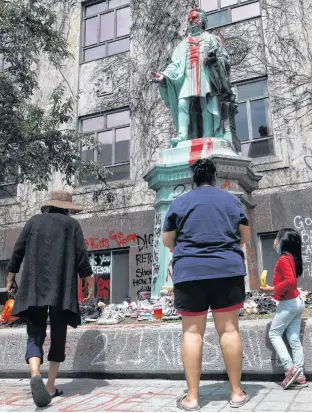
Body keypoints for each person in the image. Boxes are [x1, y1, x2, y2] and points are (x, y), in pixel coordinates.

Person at [162, 159, 250, 411]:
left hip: (189, 273)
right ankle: (236, 393)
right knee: (229, 330)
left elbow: (169, 240)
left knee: (192, 333)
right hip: (227, 270)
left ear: (194, 179)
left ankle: (192, 398)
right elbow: (244, 235)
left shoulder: (179, 203)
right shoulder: (231, 200)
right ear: (214, 178)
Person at [6, 190, 94, 407]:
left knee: (35, 333)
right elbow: (81, 256)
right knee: (58, 336)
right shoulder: (71, 225)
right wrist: (89, 279)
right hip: (61, 289)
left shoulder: (33, 222)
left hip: (34, 287)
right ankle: (50, 386)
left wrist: (10, 276)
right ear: (66, 208)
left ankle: (35, 372)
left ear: (49, 206)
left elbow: (18, 250)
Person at [152, 8, 231, 147]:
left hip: (204, 76)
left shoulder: (210, 38)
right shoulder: (183, 44)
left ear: (202, 21)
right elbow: (175, 64)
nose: (191, 21)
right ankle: (182, 135)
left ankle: (208, 135)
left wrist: (214, 60)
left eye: (195, 18)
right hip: (188, 77)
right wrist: (164, 76)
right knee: (182, 104)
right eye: (189, 19)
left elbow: (224, 58)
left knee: (205, 106)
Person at [260, 228, 307, 389]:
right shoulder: (291, 258)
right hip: (297, 301)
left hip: (289, 303)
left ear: (282, 242)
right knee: (293, 337)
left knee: (274, 333)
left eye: (276, 239)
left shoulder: (283, 260)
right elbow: (289, 282)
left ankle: (289, 367)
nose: (274, 242)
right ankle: (299, 375)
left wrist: (270, 290)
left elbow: (290, 282)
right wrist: (274, 288)